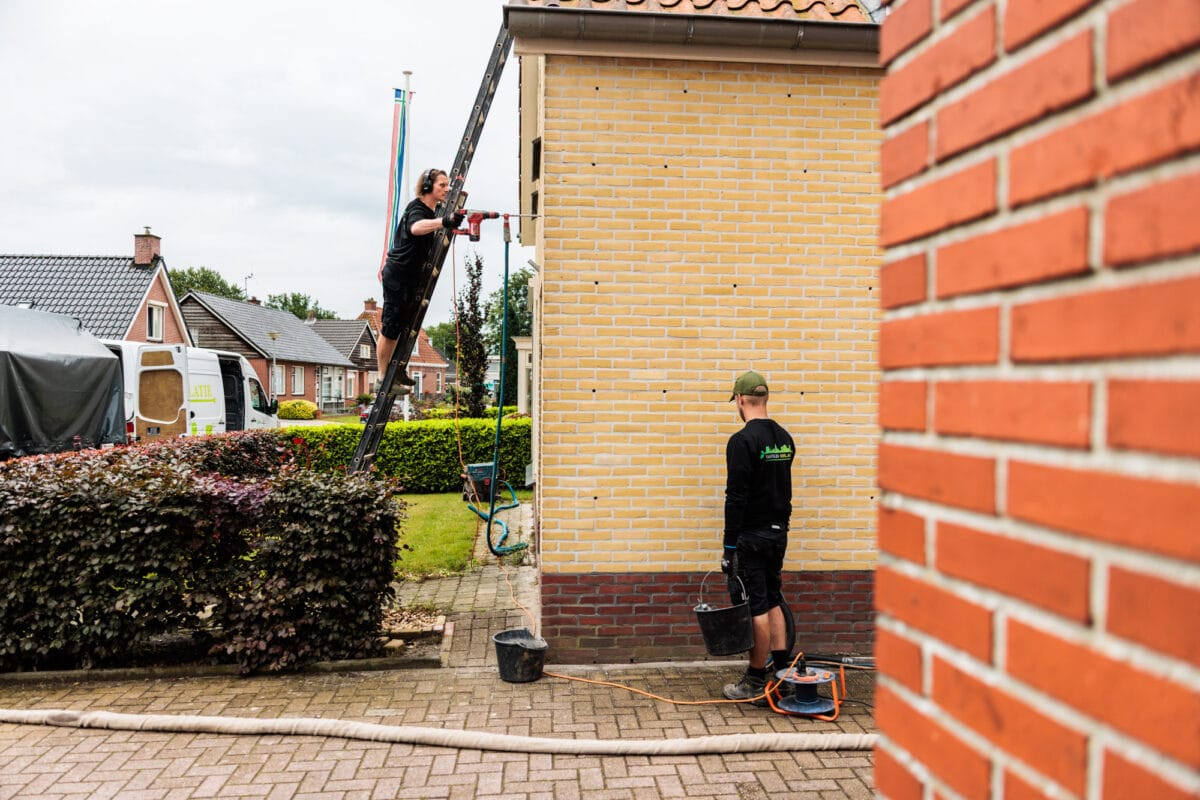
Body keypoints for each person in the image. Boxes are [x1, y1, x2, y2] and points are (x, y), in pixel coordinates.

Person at [720, 370, 796, 705]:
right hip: (778, 534)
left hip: (751, 537)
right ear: (765, 399)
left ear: (740, 400)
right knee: (774, 598)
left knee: (757, 605)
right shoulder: (784, 438)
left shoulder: (741, 441)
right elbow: (785, 491)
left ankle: (754, 680)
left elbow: (735, 497)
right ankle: (783, 677)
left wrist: (728, 546)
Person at [377, 168, 464, 391]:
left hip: (412, 277)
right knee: (391, 326)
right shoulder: (417, 209)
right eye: (442, 185)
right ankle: (382, 378)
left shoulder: (432, 212)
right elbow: (416, 228)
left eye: (447, 185)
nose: (447, 189)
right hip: (398, 275)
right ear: (427, 187)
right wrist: (444, 221)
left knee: (406, 326)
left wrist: (450, 223)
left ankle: (396, 371)